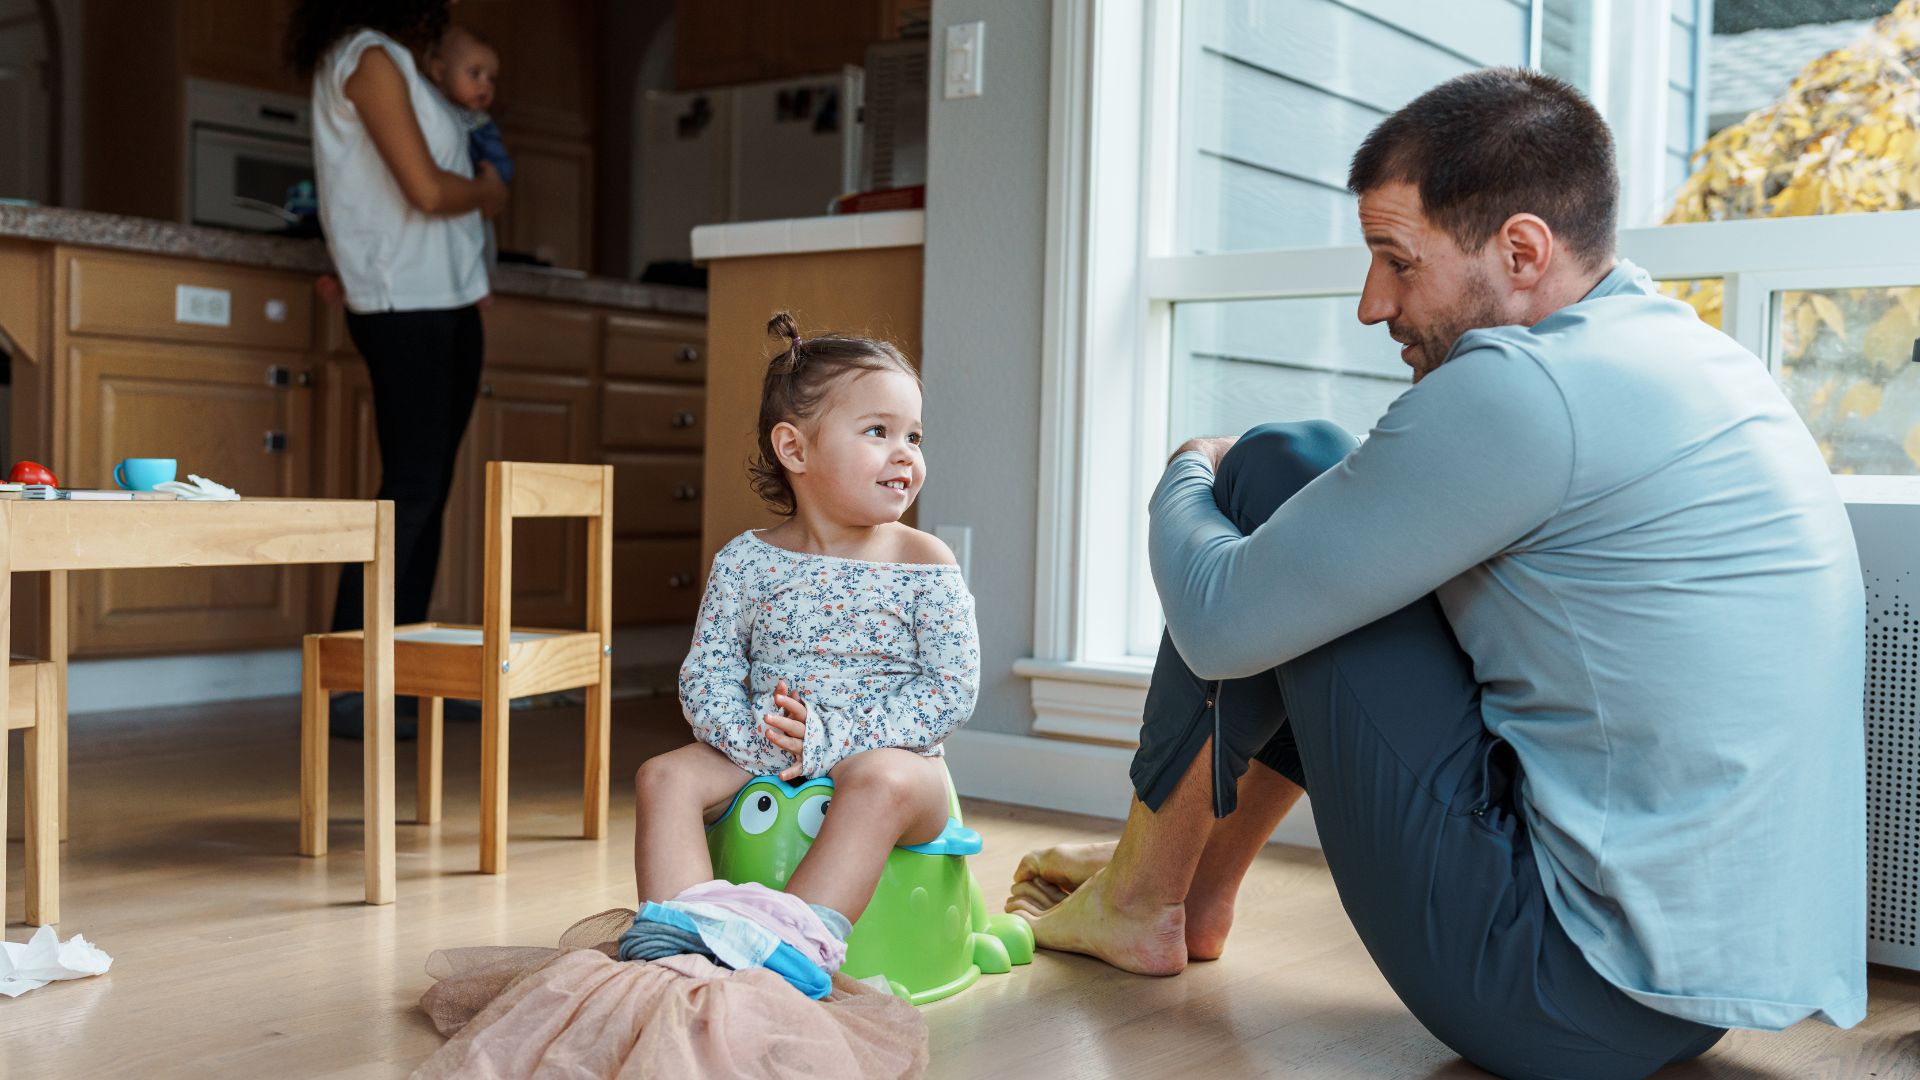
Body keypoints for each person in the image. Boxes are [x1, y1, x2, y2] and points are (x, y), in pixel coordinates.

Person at [1007, 68, 1865, 1079]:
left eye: (1397, 262)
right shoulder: (1695, 359)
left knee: (1278, 465)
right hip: (1694, 994)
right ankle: (1182, 892)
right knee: (1332, 541)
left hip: (1558, 993)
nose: (1373, 304)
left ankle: (1140, 895)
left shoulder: (1525, 385)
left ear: (1522, 251)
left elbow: (1217, 623)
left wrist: (1189, 469)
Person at [625, 312, 980, 978]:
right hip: (763, 748)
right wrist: (751, 740)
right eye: (877, 431)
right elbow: (708, 673)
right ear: (794, 449)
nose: (905, 453)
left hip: (895, 764)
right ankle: (688, 934)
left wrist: (831, 738)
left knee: (879, 780)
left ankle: (792, 946)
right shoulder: (746, 561)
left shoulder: (924, 561)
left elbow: (949, 691)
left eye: (914, 435)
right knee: (664, 777)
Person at [286, 0, 507, 735]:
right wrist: (490, 192)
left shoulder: (390, 58)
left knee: (425, 493)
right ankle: (351, 685)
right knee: (410, 492)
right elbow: (428, 191)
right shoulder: (367, 58)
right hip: (404, 305)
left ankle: (401, 678)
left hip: (441, 302)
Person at [425, 25, 512, 269]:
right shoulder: (428, 110)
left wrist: (492, 178)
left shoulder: (479, 124)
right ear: (439, 72)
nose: (485, 86)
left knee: (475, 256)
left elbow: (499, 166)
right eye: (475, 74)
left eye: (491, 79)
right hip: (437, 205)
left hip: (472, 204)